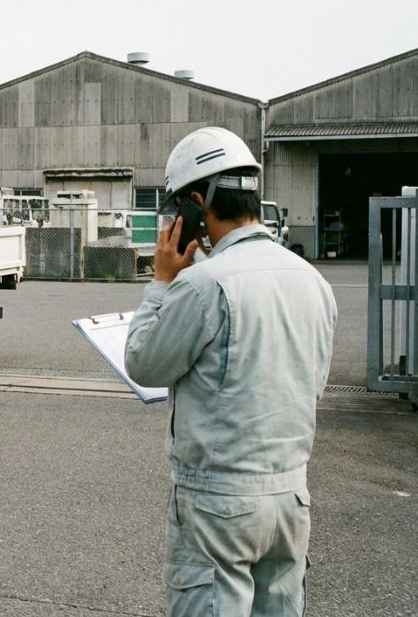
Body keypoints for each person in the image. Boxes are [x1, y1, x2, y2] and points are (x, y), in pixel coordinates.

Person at [125, 127, 337, 616]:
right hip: (289, 497)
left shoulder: (201, 285)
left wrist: (161, 282)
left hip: (218, 501)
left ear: (198, 203)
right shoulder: (313, 282)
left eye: (180, 208)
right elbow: (315, 382)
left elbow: (143, 360)